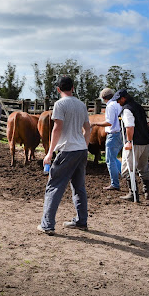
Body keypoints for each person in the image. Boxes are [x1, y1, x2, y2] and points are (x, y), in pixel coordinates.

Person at [38, 76, 91, 235]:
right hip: (81, 149)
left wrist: (49, 152)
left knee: (54, 186)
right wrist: (84, 147)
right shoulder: (81, 105)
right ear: (73, 88)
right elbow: (88, 129)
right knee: (79, 186)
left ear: (58, 89)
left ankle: (47, 225)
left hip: (67, 150)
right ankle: (82, 221)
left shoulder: (60, 104)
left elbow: (57, 128)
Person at [111, 88, 149, 202]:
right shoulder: (138, 107)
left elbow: (129, 126)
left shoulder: (127, 110)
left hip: (135, 143)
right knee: (144, 167)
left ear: (124, 98)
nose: (118, 102)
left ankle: (133, 193)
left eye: (118, 100)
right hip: (146, 141)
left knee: (127, 168)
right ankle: (147, 192)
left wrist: (129, 141)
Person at [92, 88, 124, 190]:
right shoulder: (118, 104)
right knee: (113, 158)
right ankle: (126, 174)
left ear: (103, 98)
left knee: (109, 160)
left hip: (113, 134)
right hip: (119, 134)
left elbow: (109, 122)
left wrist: (95, 123)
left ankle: (115, 183)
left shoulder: (110, 106)